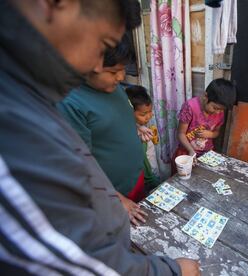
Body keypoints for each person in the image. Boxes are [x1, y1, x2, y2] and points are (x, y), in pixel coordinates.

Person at [0, 0, 200, 275]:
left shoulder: (31, 90)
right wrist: (173, 272)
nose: (96, 66)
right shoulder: (18, 119)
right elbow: (71, 259)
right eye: (103, 45)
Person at [57, 33, 148, 226]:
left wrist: (136, 127)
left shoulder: (113, 88)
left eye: (123, 69)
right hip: (114, 195)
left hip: (135, 178)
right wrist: (117, 198)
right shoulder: (70, 103)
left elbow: (116, 118)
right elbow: (79, 164)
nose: (122, 77)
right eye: (114, 71)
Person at [173, 78, 236, 173]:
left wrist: (210, 134)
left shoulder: (220, 113)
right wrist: (191, 150)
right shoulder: (190, 107)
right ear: (205, 96)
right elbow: (180, 134)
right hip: (186, 152)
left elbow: (217, 132)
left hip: (206, 155)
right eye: (215, 108)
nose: (218, 112)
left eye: (222, 110)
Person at [126, 85, 161, 193]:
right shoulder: (126, 131)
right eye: (143, 114)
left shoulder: (142, 126)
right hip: (140, 178)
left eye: (150, 111)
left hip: (152, 171)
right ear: (128, 112)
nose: (149, 116)